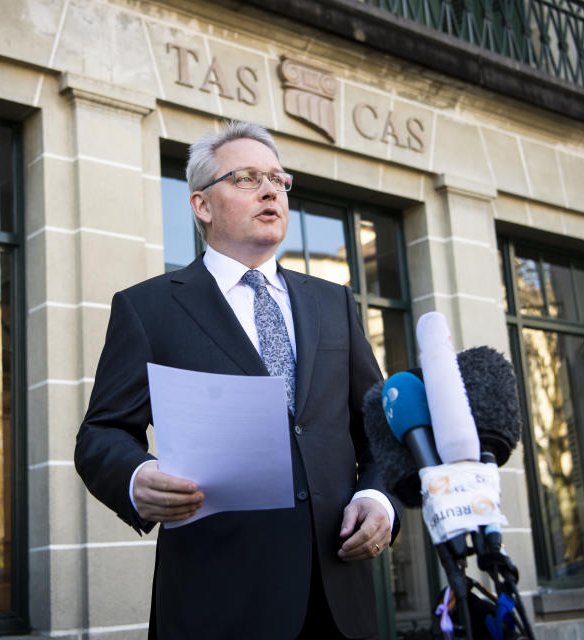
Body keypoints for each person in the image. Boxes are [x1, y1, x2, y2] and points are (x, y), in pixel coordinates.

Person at [75, 121, 400, 639]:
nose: (271, 190)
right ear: (202, 206)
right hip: (217, 600)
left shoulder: (332, 302)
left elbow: (379, 431)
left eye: (278, 179)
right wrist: (138, 479)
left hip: (339, 597)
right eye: (247, 178)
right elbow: (101, 435)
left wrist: (379, 500)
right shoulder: (148, 308)